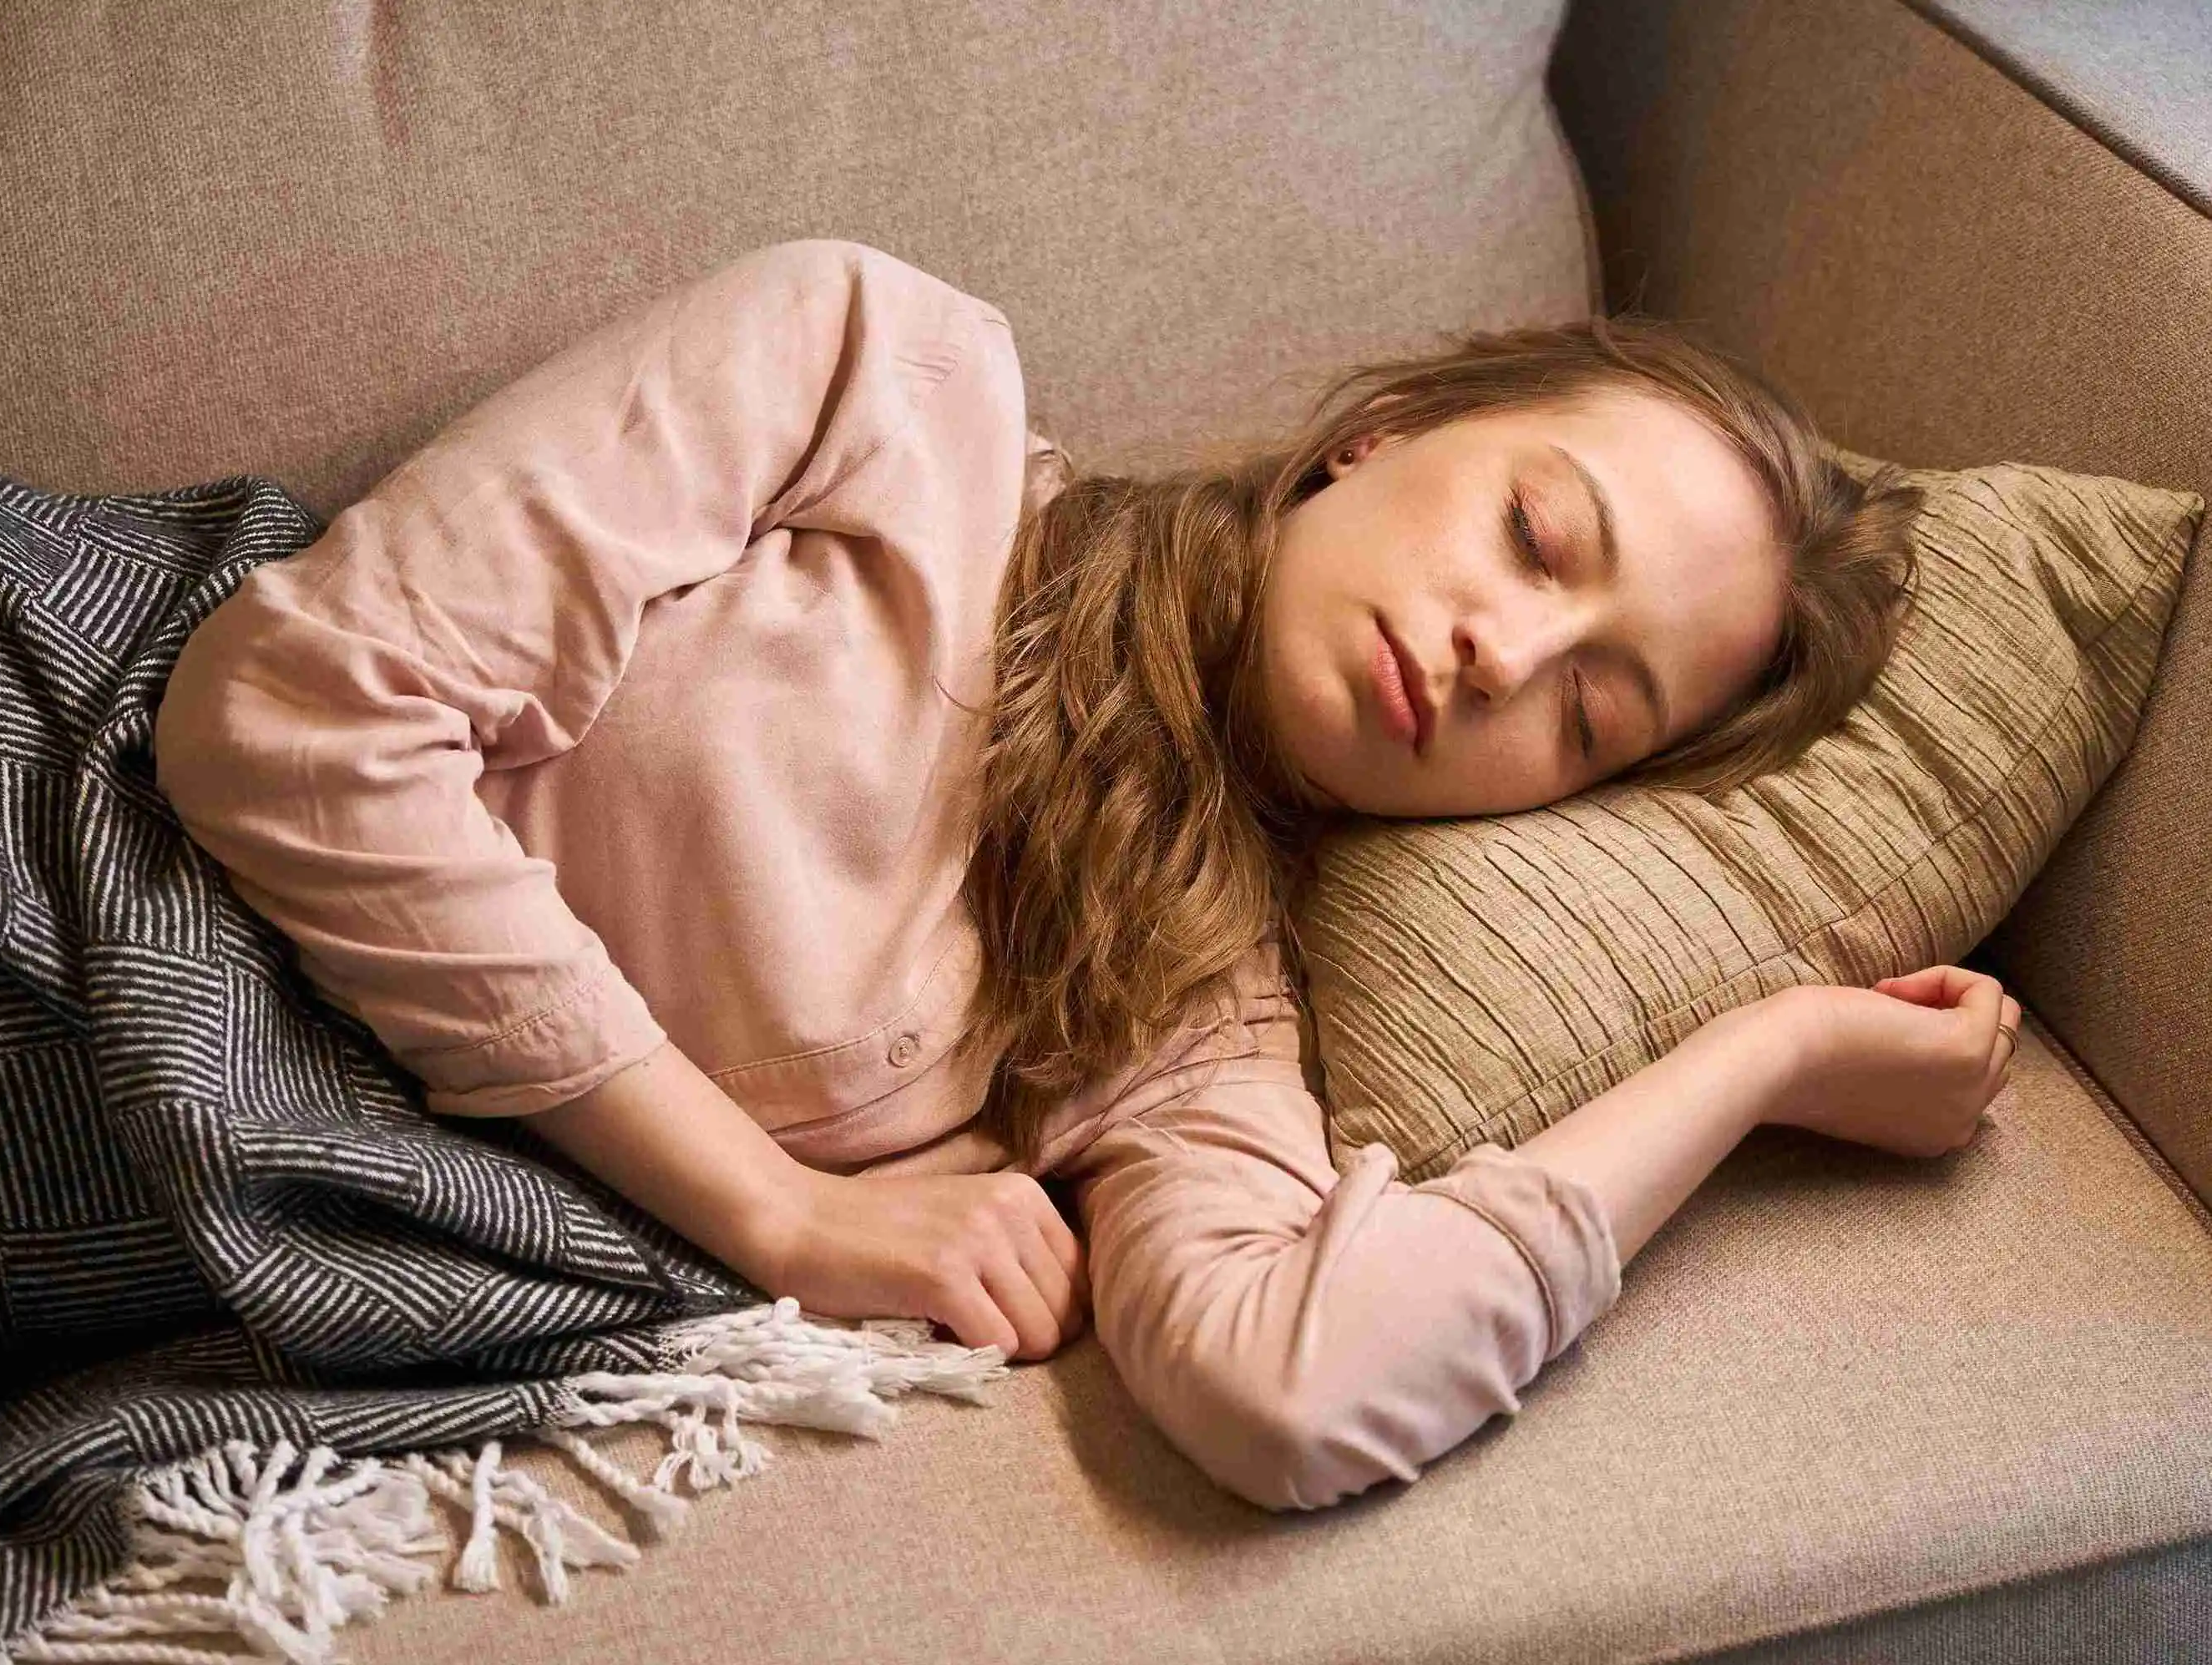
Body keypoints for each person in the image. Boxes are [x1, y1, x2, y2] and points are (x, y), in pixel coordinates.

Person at [153, 238, 2013, 1513]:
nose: (1499, 660)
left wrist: (1764, 1062)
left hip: (185, 1165)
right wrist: (781, 1217)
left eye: (1591, 714)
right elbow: (290, 710)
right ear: (1382, 437)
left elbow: (1293, 1390)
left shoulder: (1180, 997)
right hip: (19, 778)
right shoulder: (882, 373)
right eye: (1532, 536)